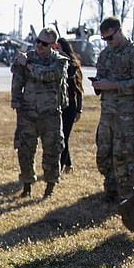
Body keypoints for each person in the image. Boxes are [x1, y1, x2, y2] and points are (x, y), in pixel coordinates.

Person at [10, 26, 67, 198]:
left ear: (53, 45)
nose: (39, 46)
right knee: (25, 150)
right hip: (28, 113)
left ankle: (50, 186)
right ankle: (27, 185)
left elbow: (48, 75)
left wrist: (27, 64)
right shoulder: (27, 57)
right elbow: (17, 80)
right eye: (38, 42)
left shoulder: (60, 62)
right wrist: (16, 101)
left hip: (50, 114)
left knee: (52, 150)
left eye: (44, 44)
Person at [91, 16, 134, 205]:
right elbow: (102, 76)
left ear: (119, 30)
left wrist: (114, 85)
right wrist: (99, 85)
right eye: (104, 39)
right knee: (104, 152)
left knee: (123, 153)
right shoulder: (105, 55)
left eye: (110, 38)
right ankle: (110, 188)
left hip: (126, 114)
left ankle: (126, 195)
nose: (108, 43)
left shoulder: (132, 52)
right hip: (107, 112)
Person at [55, 37, 84, 173]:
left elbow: (79, 90)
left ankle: (60, 168)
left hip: (70, 106)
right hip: (58, 105)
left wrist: (79, 110)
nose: (56, 50)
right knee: (59, 136)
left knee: (64, 137)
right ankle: (68, 165)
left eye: (59, 48)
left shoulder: (73, 65)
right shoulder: (53, 63)